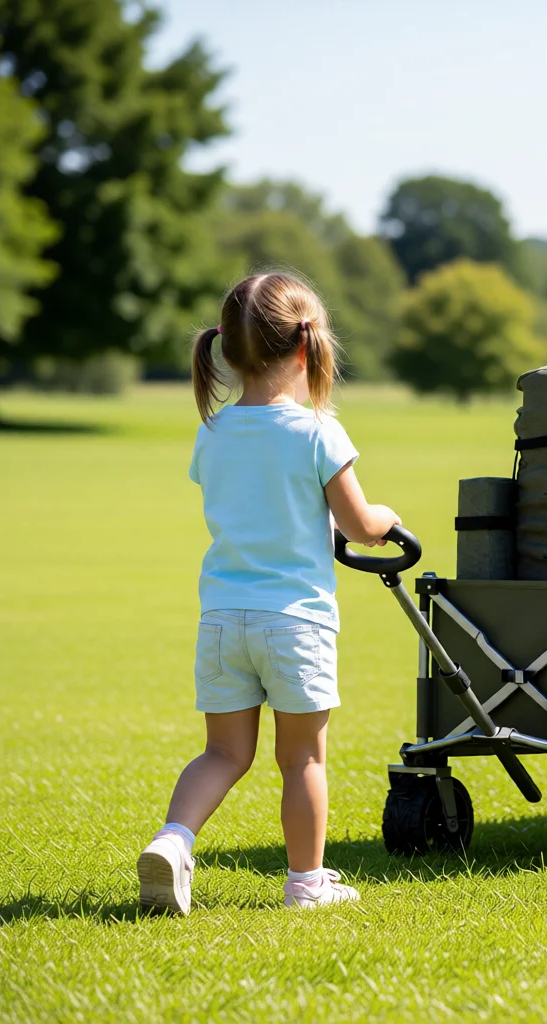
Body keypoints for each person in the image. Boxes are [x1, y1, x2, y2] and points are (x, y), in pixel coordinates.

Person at [137, 273, 400, 914]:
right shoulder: (317, 432)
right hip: (297, 623)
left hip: (224, 619)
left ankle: (173, 841)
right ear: (308, 349)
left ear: (227, 351)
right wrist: (387, 520)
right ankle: (307, 883)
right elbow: (361, 526)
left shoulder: (214, 433)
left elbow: (252, 502)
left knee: (224, 752)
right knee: (302, 757)